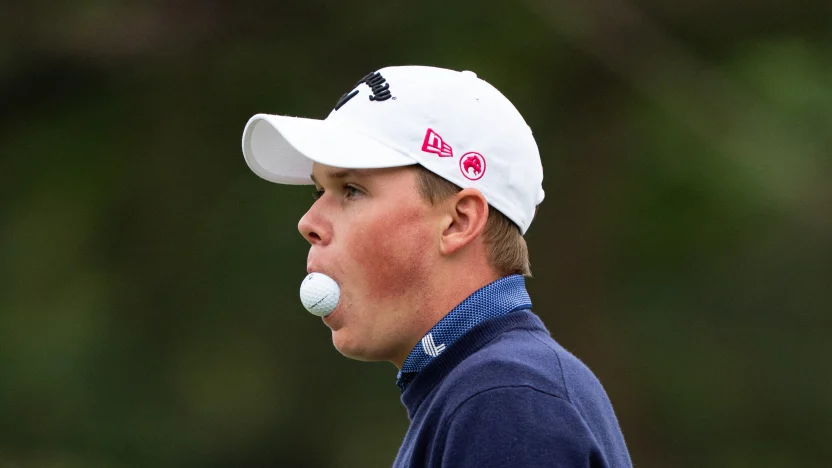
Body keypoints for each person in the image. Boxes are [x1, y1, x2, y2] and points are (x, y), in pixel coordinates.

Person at [241, 66, 632, 468]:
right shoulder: (486, 390)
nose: (309, 222)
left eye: (352, 190)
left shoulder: (505, 397)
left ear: (459, 222)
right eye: (320, 190)